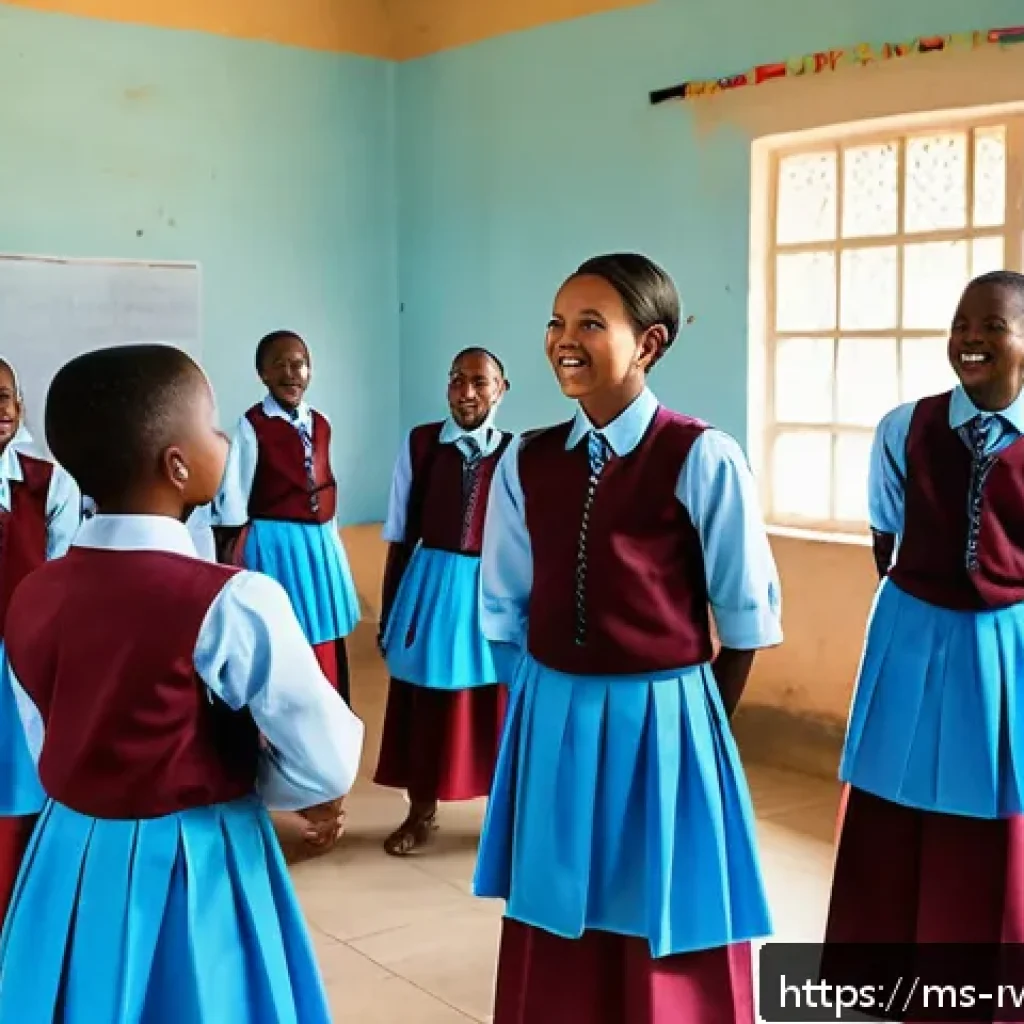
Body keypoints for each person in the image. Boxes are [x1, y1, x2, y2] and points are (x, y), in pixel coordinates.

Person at [0, 344, 363, 1023]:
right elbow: (326, 758)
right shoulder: (236, 600)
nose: (226, 439)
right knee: (200, 996)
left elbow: (49, 734)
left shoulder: (32, 595)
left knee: (78, 996)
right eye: (215, 426)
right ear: (178, 463)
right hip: (198, 854)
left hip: (70, 855)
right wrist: (275, 787)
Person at [472, 253, 782, 1024]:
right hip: (553, 709)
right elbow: (504, 604)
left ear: (647, 343)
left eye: (589, 324)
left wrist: (701, 728)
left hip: (667, 716)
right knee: (558, 895)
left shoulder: (701, 454)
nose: (562, 340)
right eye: (555, 322)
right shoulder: (526, 458)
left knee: (663, 900)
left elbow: (744, 617)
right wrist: (543, 706)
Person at [824, 272, 1024, 1003]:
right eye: (961, 323)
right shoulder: (903, 426)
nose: (971, 337)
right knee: (892, 798)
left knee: (996, 807)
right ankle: (879, 983)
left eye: (993, 326)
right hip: (910, 631)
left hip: (1007, 644)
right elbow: (887, 534)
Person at [374, 347, 513, 856]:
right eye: (457, 379)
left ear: (501, 389)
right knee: (425, 700)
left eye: (480, 381)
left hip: (490, 591)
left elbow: (527, 538)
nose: (467, 391)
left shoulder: (515, 453)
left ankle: (502, 822)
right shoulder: (422, 444)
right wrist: (389, 613)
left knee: (495, 706)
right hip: (430, 587)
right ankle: (420, 810)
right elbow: (399, 533)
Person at [212, 330, 360, 703]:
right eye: (279, 365)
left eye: (299, 364)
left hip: (320, 540)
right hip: (278, 542)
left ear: (311, 371)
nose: (291, 373)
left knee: (324, 626)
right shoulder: (253, 425)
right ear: (262, 373)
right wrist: (231, 549)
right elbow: (235, 492)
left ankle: (329, 700)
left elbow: (323, 477)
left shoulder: (321, 423)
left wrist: (331, 534)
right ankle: (288, 705)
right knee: (287, 628)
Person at [0, 358, 80, 926]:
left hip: (22, 661)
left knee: (26, 779)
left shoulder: (50, 482)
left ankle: (24, 910)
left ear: (21, 406)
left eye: (5, 396)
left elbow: (61, 579)